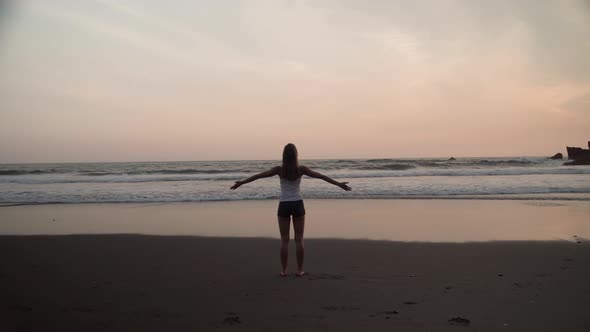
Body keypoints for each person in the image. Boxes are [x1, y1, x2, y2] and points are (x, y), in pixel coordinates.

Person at [230, 143, 351, 277]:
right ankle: (299, 270)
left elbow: (258, 176)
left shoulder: (279, 170)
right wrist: (339, 184)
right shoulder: (301, 169)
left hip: (284, 205)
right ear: (296, 155)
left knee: (284, 240)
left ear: (283, 156)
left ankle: (284, 271)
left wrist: (241, 182)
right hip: (298, 204)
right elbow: (321, 176)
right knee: (299, 239)